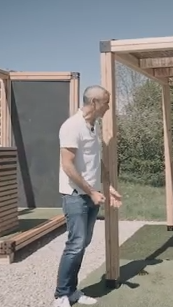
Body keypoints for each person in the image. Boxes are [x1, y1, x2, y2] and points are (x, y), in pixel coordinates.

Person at [52, 85, 122, 307]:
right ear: (94, 102)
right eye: (106, 102)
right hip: (76, 195)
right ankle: (61, 295)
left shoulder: (92, 127)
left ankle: (72, 291)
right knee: (76, 244)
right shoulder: (72, 126)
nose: (108, 106)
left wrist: (106, 185)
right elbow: (67, 165)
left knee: (82, 243)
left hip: (90, 195)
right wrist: (91, 192)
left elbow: (93, 160)